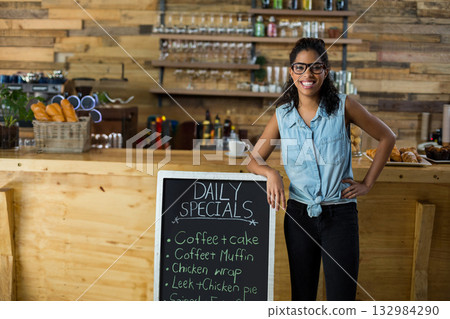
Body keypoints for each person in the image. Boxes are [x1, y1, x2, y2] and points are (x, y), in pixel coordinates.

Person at [246, 38, 395, 301]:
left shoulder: (344, 106)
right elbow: (252, 160)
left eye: (315, 67)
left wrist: (367, 183)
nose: (308, 74)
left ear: (325, 71)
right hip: (298, 215)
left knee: (342, 298)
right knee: (302, 298)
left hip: (340, 215)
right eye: (300, 67)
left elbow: (387, 137)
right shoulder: (282, 115)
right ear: (292, 72)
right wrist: (271, 173)